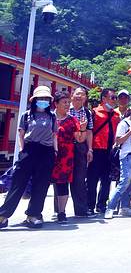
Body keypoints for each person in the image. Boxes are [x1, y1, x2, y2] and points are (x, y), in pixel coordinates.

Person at [0, 86, 56, 229]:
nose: (43, 101)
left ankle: (33, 215)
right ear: (35, 100)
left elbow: (54, 135)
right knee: (18, 183)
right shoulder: (26, 115)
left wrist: (55, 151)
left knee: (41, 185)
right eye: (41, 98)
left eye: (46, 98)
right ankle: (3, 215)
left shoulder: (52, 116)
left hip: (46, 151)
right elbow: (21, 134)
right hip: (29, 150)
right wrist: (22, 150)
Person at [87, 88, 120, 215]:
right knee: (92, 179)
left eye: (115, 98)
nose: (114, 100)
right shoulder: (94, 112)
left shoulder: (116, 115)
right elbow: (89, 131)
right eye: (112, 97)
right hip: (96, 149)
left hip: (110, 150)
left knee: (107, 179)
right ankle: (89, 205)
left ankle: (102, 205)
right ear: (104, 98)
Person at [51, 91, 81, 223]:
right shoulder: (49, 117)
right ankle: (35, 212)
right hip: (48, 154)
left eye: (69, 102)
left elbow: (79, 139)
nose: (68, 105)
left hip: (65, 157)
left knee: (62, 184)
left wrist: (82, 129)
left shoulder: (72, 120)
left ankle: (61, 212)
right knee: (42, 183)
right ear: (56, 104)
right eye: (64, 102)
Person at [68, 87, 94, 217]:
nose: (80, 96)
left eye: (82, 94)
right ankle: (59, 211)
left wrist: (90, 149)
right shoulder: (65, 109)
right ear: (72, 95)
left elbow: (89, 132)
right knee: (61, 179)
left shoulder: (88, 113)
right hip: (65, 146)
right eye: (77, 93)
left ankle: (81, 210)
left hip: (81, 146)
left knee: (79, 178)